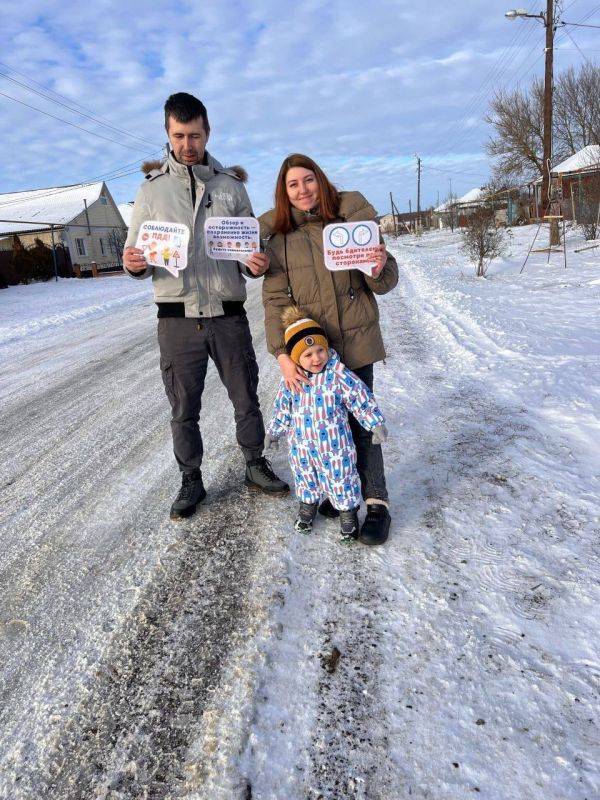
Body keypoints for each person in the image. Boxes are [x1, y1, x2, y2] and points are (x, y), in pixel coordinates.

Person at [123, 92, 289, 519]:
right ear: (167, 134)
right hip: (177, 319)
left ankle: (254, 463)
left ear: (207, 132)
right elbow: (135, 255)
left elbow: (251, 254)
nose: (187, 145)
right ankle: (191, 479)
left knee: (245, 396)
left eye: (194, 135)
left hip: (227, 315)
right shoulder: (150, 192)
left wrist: (257, 264)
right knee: (183, 406)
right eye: (178, 136)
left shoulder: (231, 187)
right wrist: (133, 263)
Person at [259, 154, 398, 546]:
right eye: (293, 184)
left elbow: (385, 281)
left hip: (355, 343)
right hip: (311, 355)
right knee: (322, 433)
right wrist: (283, 356)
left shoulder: (350, 225)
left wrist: (378, 264)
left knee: (361, 426)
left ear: (320, 181)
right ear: (284, 193)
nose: (302, 190)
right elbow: (274, 301)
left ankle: (376, 503)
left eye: (308, 180)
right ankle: (340, 495)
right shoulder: (281, 242)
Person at [264, 307, 388, 542]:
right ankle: (307, 509)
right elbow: (282, 408)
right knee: (305, 478)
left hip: (335, 447)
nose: (317, 358)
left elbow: (359, 398)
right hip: (301, 447)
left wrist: (374, 423)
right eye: (308, 355)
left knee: (342, 479)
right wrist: (274, 431)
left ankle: (348, 516)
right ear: (296, 358)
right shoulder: (291, 381)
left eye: (320, 350)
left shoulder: (338, 374)